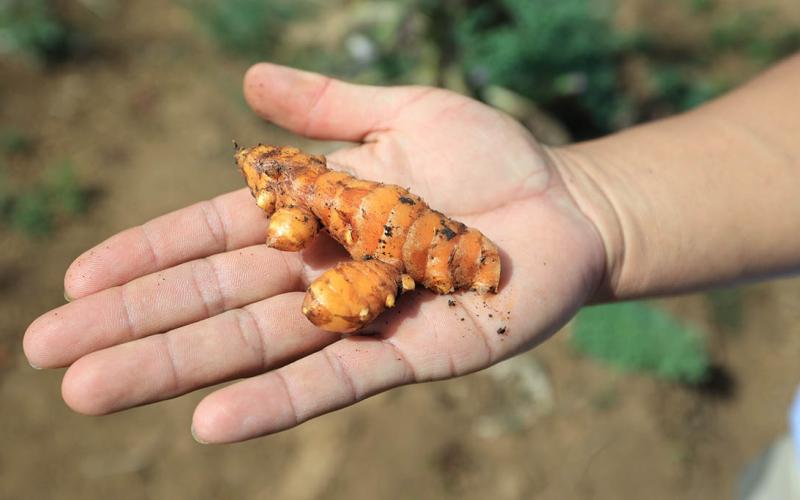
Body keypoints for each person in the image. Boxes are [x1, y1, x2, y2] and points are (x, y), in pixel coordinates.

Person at [22, 54, 800, 445]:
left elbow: (293, 234)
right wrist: (594, 204)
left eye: (267, 175)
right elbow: (293, 231)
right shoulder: (313, 198)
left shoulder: (319, 206)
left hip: (414, 241)